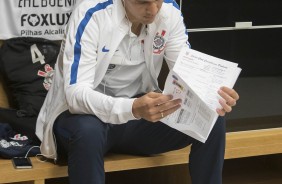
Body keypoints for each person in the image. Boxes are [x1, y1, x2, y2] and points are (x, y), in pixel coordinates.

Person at [36, 0, 239, 183]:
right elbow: (75, 96)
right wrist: (132, 108)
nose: (153, 10)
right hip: (85, 118)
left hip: (137, 118)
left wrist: (214, 93)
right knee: (89, 131)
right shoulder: (92, 13)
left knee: (212, 116)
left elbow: (187, 74)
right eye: (143, 2)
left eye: (157, 0)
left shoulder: (169, 12)